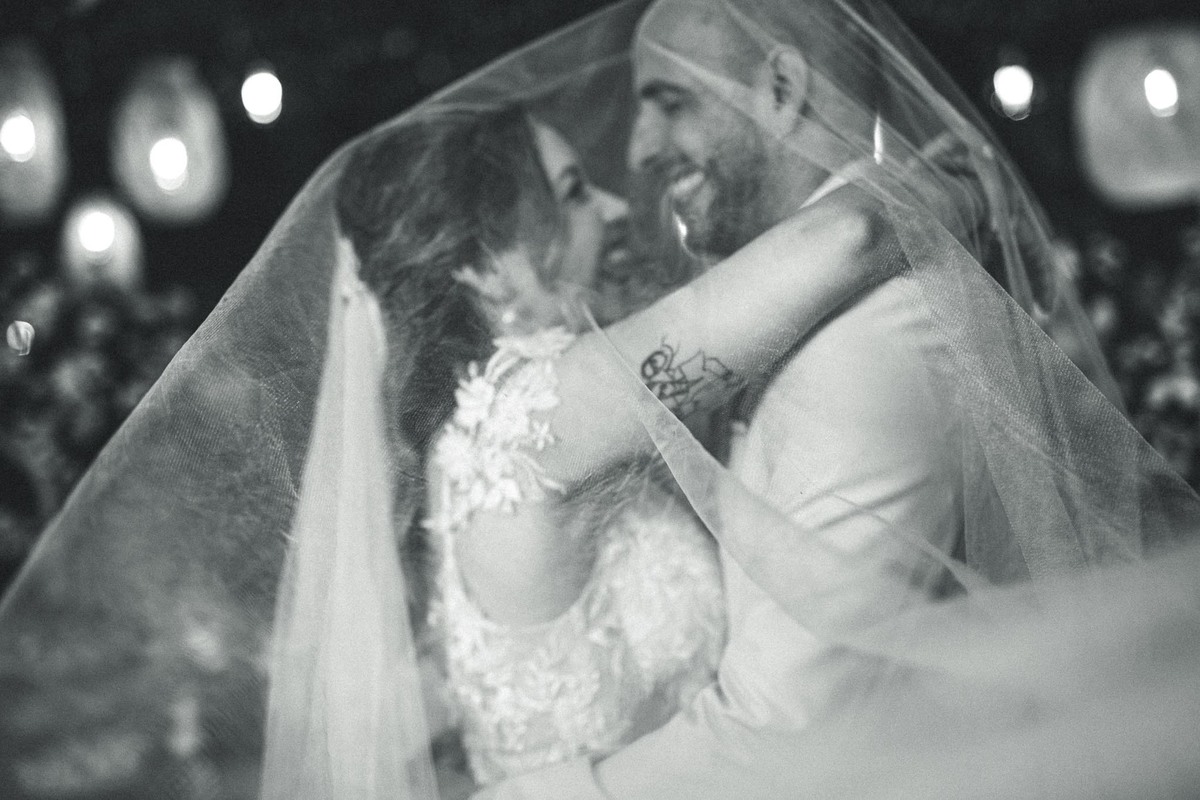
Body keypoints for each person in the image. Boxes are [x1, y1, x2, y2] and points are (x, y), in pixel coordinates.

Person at [477, 1, 1200, 798]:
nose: (638, 154)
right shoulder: (819, 292)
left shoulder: (864, 328)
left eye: (670, 103)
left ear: (783, 88)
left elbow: (791, 725)